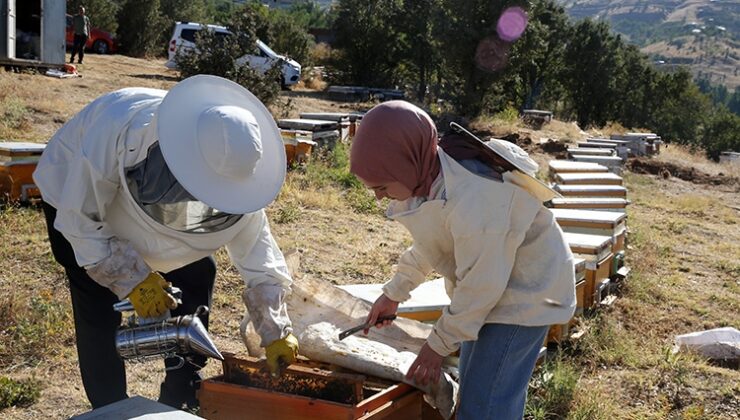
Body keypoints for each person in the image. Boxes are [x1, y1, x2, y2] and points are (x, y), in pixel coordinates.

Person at [33, 75, 299, 410]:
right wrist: (131, 279)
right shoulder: (116, 131)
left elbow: (260, 260)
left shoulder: (237, 169)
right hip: (75, 201)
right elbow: (79, 221)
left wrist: (275, 330)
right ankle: (111, 408)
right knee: (97, 302)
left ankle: (181, 391)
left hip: (145, 218)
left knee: (200, 271)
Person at [350, 101, 576, 419]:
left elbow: (481, 285)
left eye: (382, 187)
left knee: (486, 407)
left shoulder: (476, 197)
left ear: (405, 164)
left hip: (527, 294)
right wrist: (393, 293)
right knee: (474, 394)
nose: (379, 197)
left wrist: (435, 347)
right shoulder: (430, 178)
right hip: (492, 286)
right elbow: (433, 245)